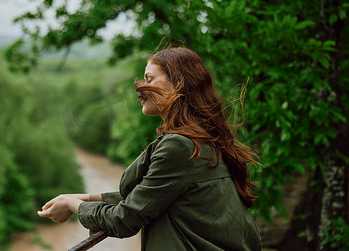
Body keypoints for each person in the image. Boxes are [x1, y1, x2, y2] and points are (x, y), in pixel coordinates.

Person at [38, 47, 262, 250]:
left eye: (149, 79)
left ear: (178, 84)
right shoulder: (205, 138)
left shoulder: (179, 146)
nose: (139, 88)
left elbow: (125, 219)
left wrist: (73, 205)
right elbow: (154, 194)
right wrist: (85, 197)